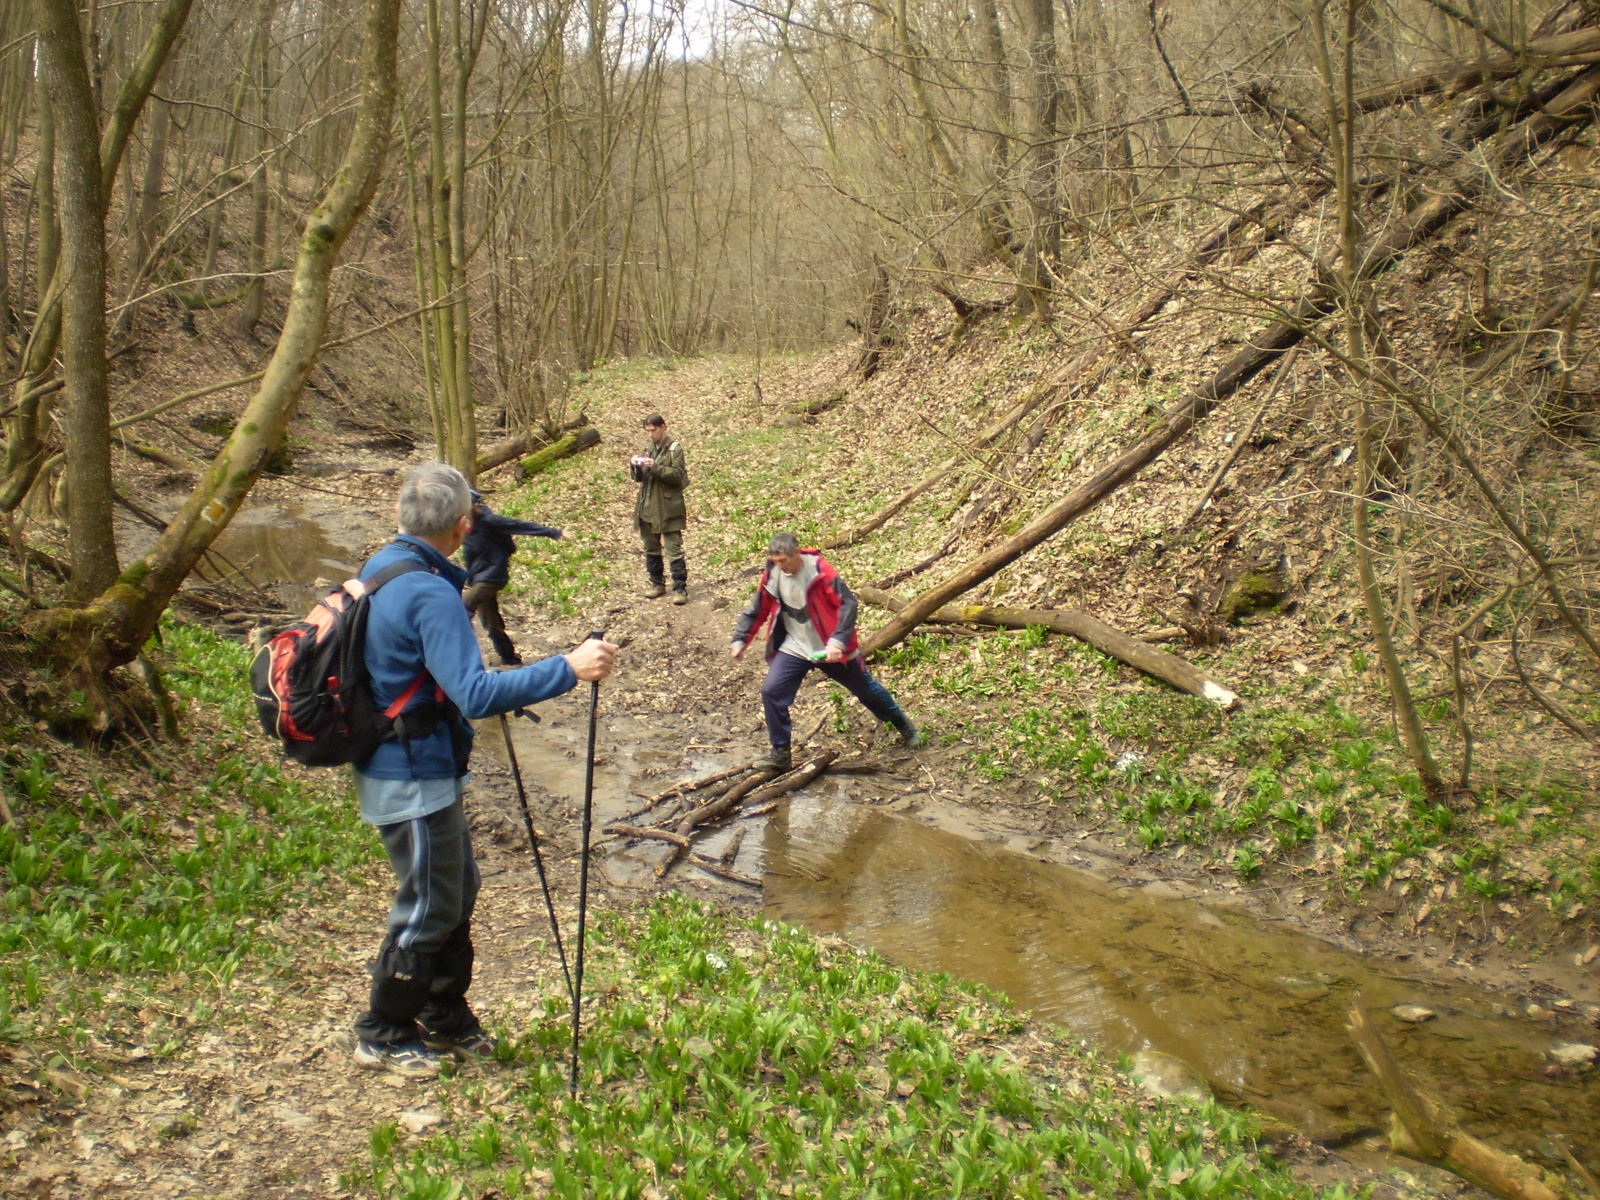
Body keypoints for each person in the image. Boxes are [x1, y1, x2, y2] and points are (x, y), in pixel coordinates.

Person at [350, 463, 616, 1078]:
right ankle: (382, 1030)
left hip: (412, 762)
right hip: (409, 773)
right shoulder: (429, 591)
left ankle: (445, 1015)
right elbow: (472, 693)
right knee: (430, 903)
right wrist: (566, 668)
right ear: (464, 524)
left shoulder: (384, 565)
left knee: (456, 888)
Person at [730, 531, 923, 771]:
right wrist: (740, 639)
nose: (780, 566)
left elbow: (848, 604)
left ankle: (901, 722)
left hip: (829, 645)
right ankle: (780, 753)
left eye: (784, 561)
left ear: (797, 554)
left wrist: (838, 641)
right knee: (771, 691)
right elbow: (757, 608)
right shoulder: (772, 574)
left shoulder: (820, 571)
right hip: (796, 645)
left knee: (865, 688)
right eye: (775, 561)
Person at [461, 489, 562, 666]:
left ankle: (457, 658)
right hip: (478, 578)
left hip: (493, 576)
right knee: (491, 623)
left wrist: (553, 533)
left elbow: (519, 525)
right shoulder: (463, 527)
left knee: (461, 605)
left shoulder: (489, 521)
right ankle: (509, 657)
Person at [630, 413, 689, 604]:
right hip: (647, 506)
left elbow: (679, 476)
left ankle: (680, 588)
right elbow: (639, 479)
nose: (650, 434)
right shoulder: (648, 449)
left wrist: (655, 467)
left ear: (663, 427)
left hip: (668, 507)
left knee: (674, 549)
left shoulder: (674, 449)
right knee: (650, 548)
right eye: (647, 431)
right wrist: (636, 466)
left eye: (653, 430)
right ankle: (657, 583)